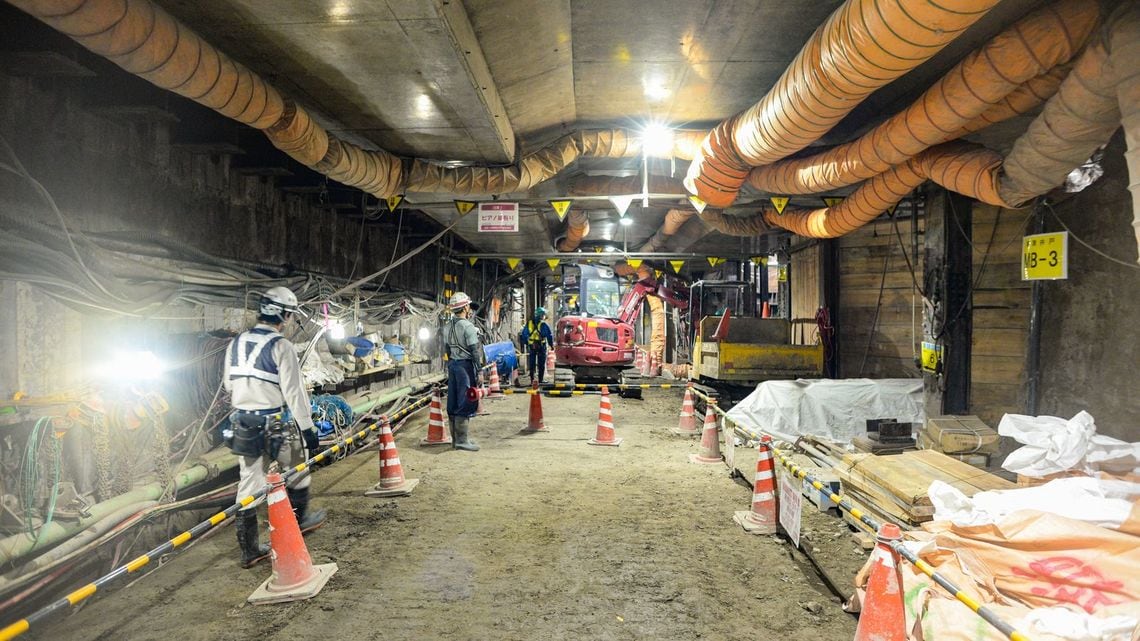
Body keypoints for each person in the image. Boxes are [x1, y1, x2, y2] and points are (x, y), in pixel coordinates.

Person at [223, 286, 326, 568]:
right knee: (297, 470)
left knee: (250, 483)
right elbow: (294, 392)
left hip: (243, 420)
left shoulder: (236, 343)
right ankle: (300, 521)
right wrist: (308, 429)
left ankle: (250, 550)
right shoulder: (282, 346)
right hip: (275, 421)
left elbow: (228, 384)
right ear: (284, 315)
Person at [443, 292, 481, 452]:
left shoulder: (446, 327)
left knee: (453, 401)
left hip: (452, 366)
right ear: (465, 307)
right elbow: (474, 350)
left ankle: (455, 440)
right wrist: (479, 370)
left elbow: (446, 349)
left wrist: (451, 363)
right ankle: (462, 440)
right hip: (465, 367)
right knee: (465, 400)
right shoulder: (468, 326)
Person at [520, 307, 554, 384]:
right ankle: (540, 380)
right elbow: (549, 335)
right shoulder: (543, 325)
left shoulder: (529, 323)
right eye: (543, 315)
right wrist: (551, 345)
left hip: (532, 346)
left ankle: (532, 380)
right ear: (541, 315)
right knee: (541, 364)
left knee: (531, 364)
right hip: (541, 346)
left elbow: (524, 335)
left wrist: (528, 343)